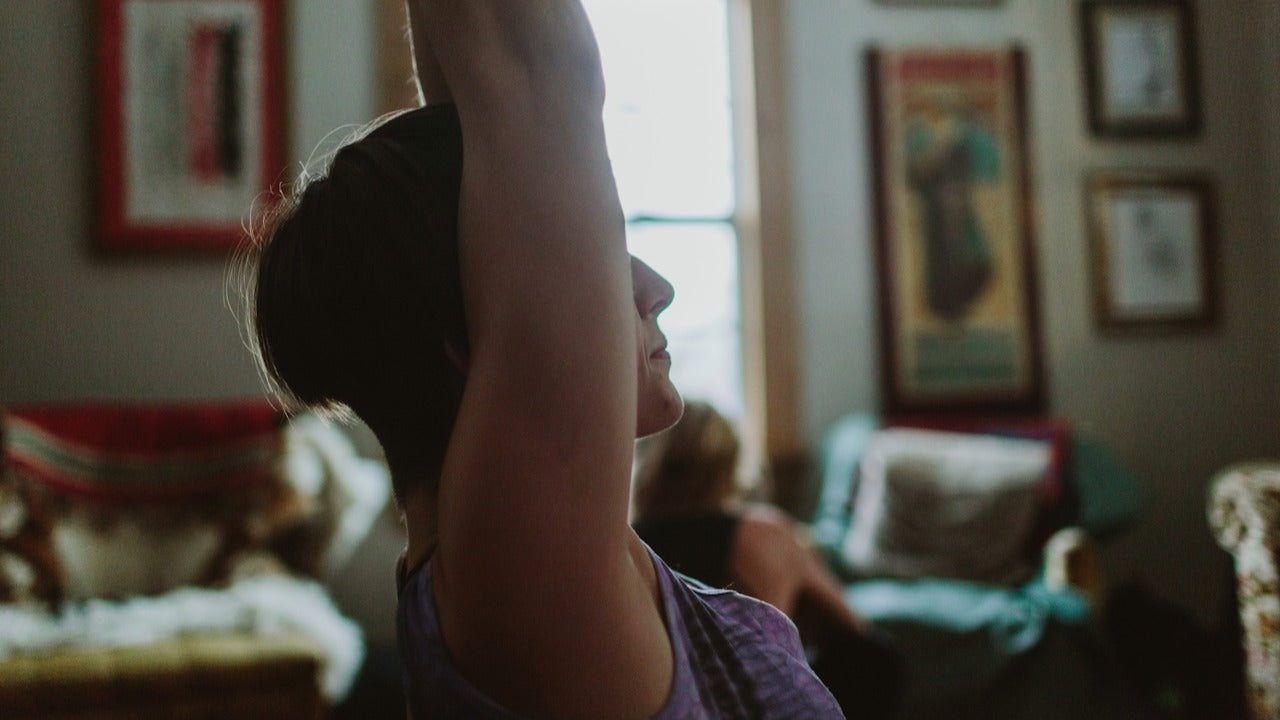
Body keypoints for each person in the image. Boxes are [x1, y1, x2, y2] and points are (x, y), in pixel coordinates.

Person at [245, 1, 845, 718]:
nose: (657, 291)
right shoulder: (518, 573)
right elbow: (538, 73)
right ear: (479, 347)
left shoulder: (522, 561)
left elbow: (495, 77)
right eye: (600, 276)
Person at [633, 401, 902, 718]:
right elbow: (852, 624)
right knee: (870, 654)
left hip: (676, 695)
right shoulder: (758, 531)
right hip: (755, 697)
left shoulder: (629, 545)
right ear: (728, 465)